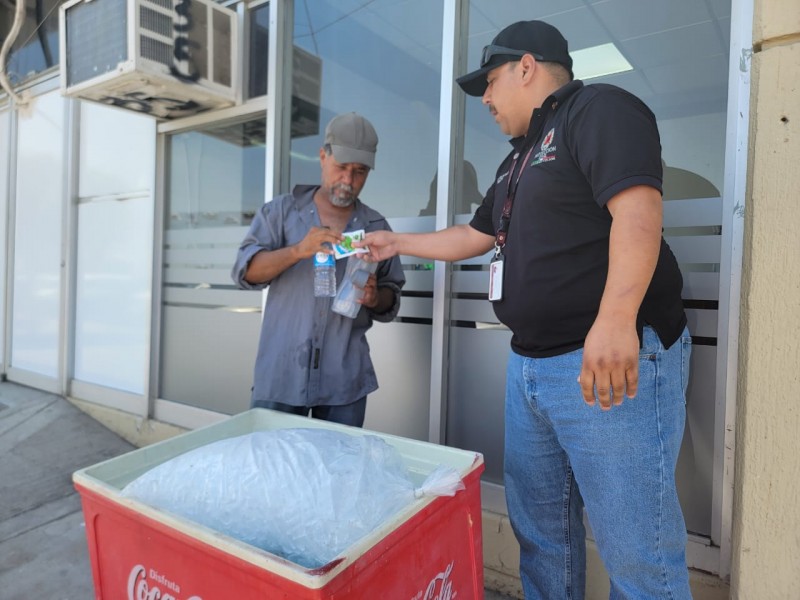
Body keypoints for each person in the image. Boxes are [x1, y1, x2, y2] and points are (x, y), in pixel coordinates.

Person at [358, 20, 692, 600]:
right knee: (542, 539)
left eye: (490, 82)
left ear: (527, 67)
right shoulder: (517, 161)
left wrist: (615, 322)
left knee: (637, 553)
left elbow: (638, 210)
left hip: (603, 363)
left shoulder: (598, 110)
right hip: (531, 368)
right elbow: (473, 236)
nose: (485, 99)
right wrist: (397, 244)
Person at [231, 112, 405, 428]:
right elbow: (245, 273)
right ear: (323, 156)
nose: (349, 181)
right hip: (282, 377)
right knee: (275, 471)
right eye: (341, 167)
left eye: (360, 171)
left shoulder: (376, 226)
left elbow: (391, 298)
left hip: (345, 383)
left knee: (338, 473)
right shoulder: (280, 214)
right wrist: (298, 250)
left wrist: (374, 297)